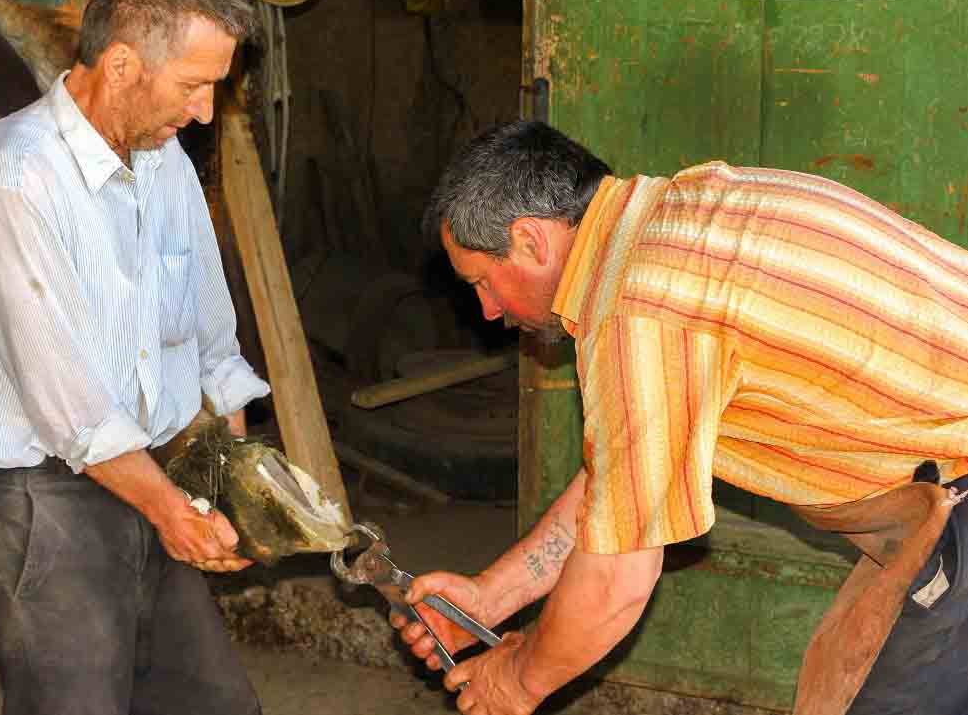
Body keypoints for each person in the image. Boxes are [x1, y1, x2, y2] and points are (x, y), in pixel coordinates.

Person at [394, 119, 968, 715]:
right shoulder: (672, 223)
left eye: (482, 281)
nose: (487, 311)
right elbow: (623, 487)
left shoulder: (637, 309)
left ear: (532, 241)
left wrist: (517, 680)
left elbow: (618, 576)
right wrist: (490, 597)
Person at [0, 0, 270, 715]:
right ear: (120, 65)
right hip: (38, 495)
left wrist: (228, 483)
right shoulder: (13, 182)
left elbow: (211, 342)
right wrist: (172, 510)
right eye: (194, 85)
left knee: (215, 706)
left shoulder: (164, 161)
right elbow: (71, 409)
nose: (207, 111)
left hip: (149, 475)